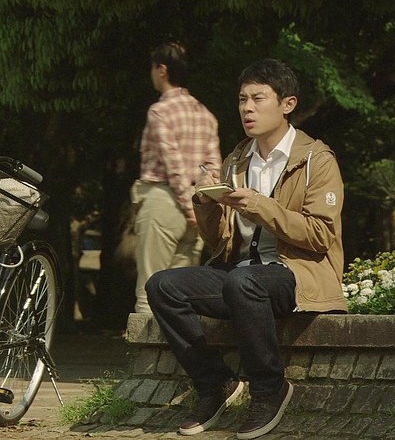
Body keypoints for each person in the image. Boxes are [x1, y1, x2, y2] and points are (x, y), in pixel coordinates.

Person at [146, 58, 347, 439]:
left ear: (287, 104)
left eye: (258, 99)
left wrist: (258, 204)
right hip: (239, 276)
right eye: (242, 100)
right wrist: (205, 202)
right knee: (162, 286)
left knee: (244, 282)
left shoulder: (316, 160)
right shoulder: (237, 160)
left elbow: (320, 235)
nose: (247, 109)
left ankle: (269, 389)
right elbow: (220, 242)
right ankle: (215, 384)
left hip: (294, 274)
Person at [132, 42, 222, 314]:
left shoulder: (160, 112)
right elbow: (213, 169)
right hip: (198, 206)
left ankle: (144, 344)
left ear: (162, 70)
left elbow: (173, 166)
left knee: (149, 291)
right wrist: (200, 208)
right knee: (179, 297)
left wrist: (187, 207)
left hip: (164, 202)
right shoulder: (205, 114)